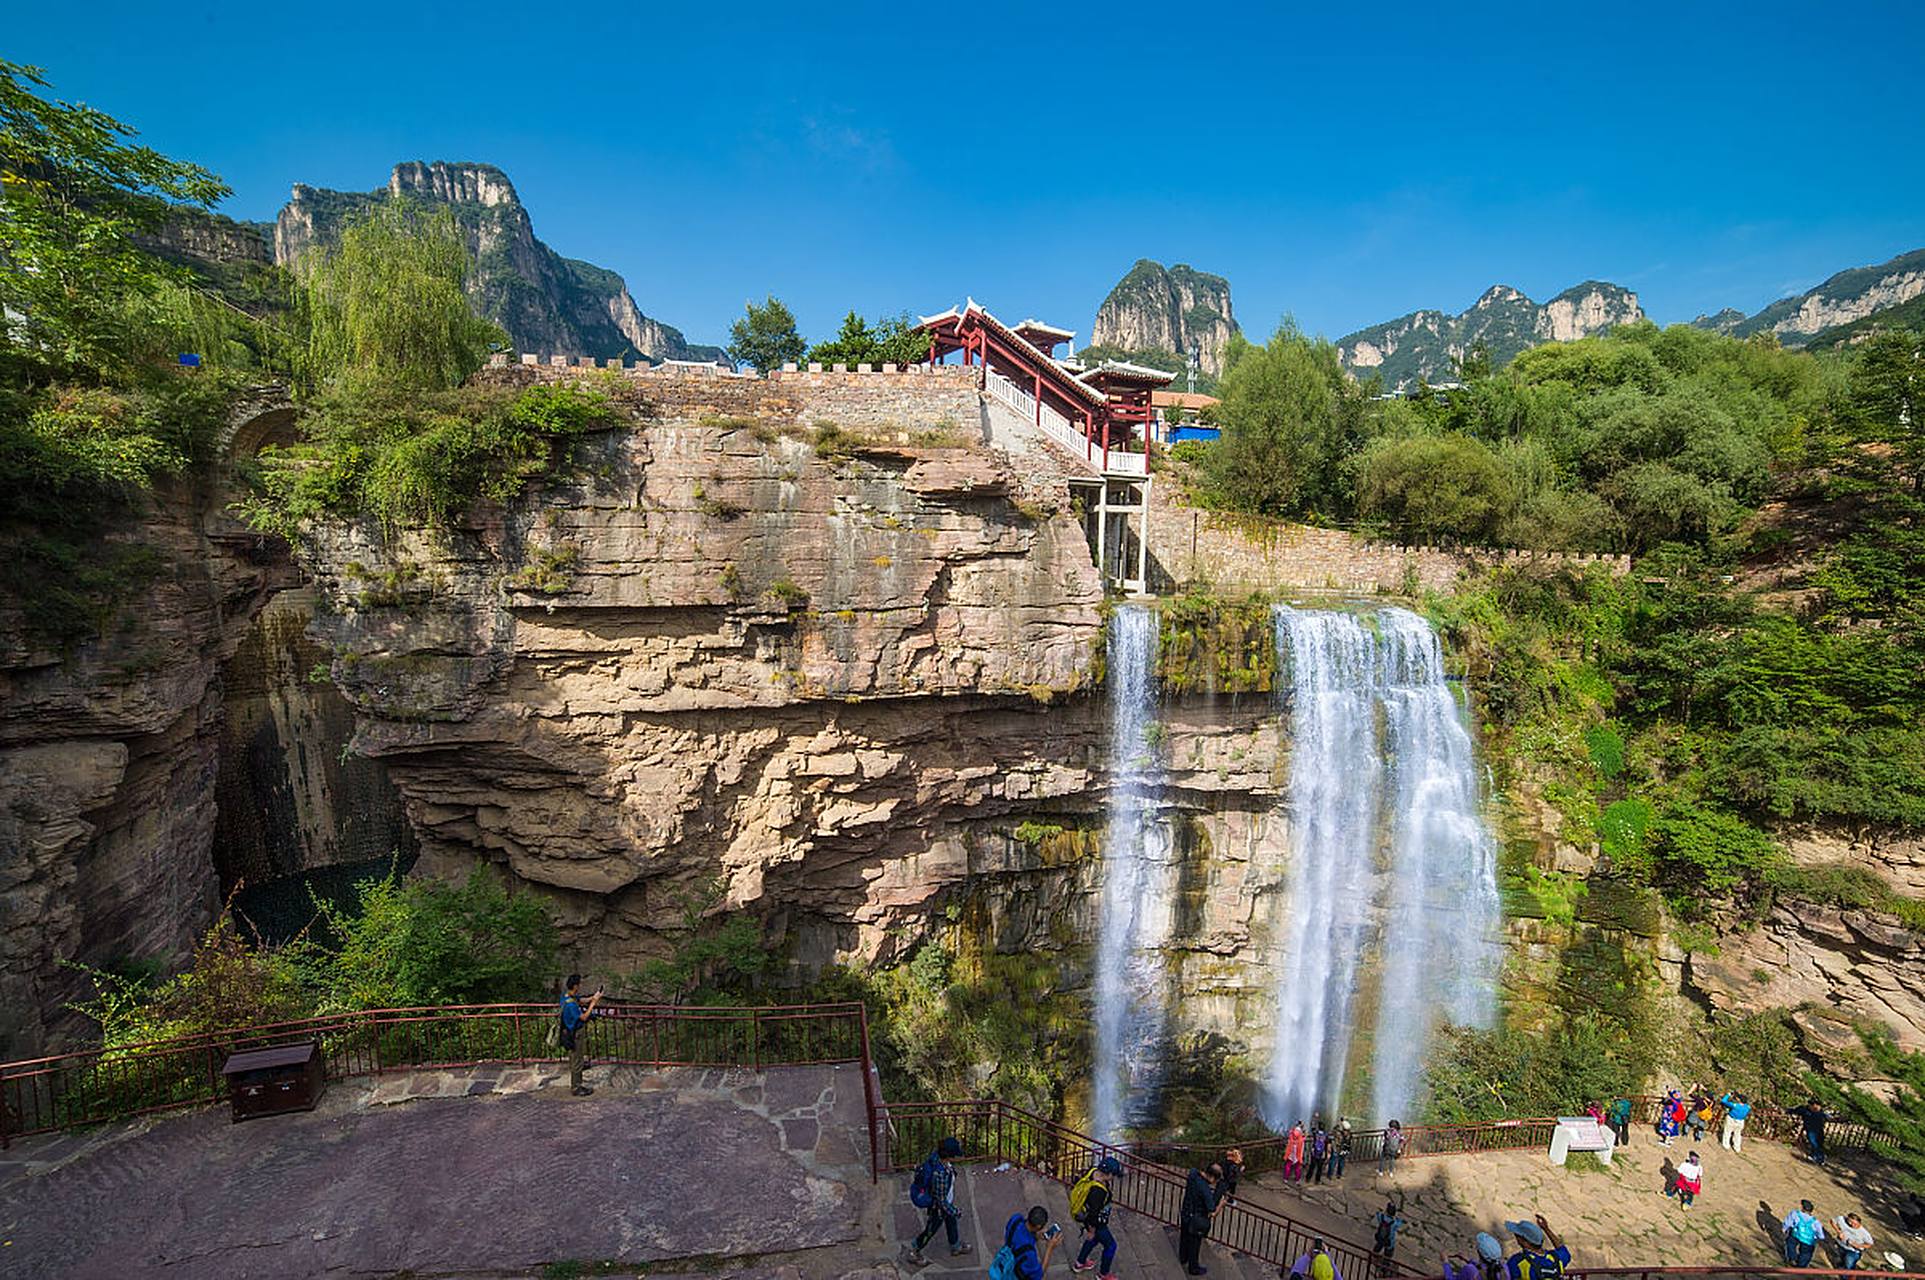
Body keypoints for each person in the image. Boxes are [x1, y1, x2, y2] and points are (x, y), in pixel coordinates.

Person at [906, 1136, 970, 1264]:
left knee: (951, 1221)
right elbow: (941, 1201)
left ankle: (955, 1246)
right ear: (949, 1156)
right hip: (939, 1208)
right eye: (955, 1155)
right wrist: (955, 1211)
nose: (957, 1157)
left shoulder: (937, 1157)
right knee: (931, 1229)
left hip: (946, 1201)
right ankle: (914, 1250)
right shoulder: (940, 1175)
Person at [1070, 1155, 1122, 1280]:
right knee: (1111, 1245)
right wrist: (1091, 1230)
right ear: (1108, 1174)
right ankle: (1103, 1274)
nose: (1113, 1178)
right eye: (1113, 1175)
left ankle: (1080, 1263)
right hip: (1097, 1223)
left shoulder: (1093, 1171)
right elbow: (1093, 1214)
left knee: (1093, 1240)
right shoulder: (1098, 1192)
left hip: (1088, 1218)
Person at [558, 974, 606, 1096]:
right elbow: (584, 1017)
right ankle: (576, 1088)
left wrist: (593, 997)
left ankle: (577, 1076)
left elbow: (580, 1000)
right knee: (577, 1060)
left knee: (575, 1058)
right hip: (575, 1034)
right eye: (579, 984)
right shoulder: (571, 1005)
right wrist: (593, 1003)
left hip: (568, 1031)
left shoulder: (566, 996)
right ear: (575, 986)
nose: (580, 986)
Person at [1178, 1163, 1220, 1276]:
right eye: (1215, 1180)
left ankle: (1183, 1257)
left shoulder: (1193, 1175)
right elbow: (1212, 1211)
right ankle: (1193, 1268)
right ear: (1212, 1177)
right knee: (1194, 1245)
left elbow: (1193, 1169)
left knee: (1184, 1236)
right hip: (1196, 1220)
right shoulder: (1205, 1189)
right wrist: (1222, 1203)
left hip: (1186, 1212)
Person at [1503, 1215, 1569, 1280]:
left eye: (1517, 1235)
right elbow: (1562, 1249)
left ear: (1524, 1241)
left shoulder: (1517, 1261)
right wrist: (1546, 1229)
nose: (1516, 1237)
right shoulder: (1555, 1258)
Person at [998, 1206, 1054, 1280]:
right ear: (1038, 1226)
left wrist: (1035, 1237)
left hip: (1006, 1255)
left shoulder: (1016, 1219)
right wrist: (1050, 1248)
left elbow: (1017, 1238)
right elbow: (1038, 1275)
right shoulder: (1029, 1254)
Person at [1782, 1199, 1825, 1268]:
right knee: (1806, 1254)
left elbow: (1787, 1223)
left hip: (1795, 1235)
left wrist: (1784, 1229)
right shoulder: (1816, 1222)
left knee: (1790, 1244)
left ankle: (1792, 1258)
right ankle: (1801, 1266)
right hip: (1808, 1241)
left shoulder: (1795, 1214)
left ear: (1802, 1207)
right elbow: (1821, 1235)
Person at [1789, 1099, 1832, 1165]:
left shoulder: (1821, 1112)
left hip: (1819, 1130)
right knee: (1814, 1143)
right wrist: (1788, 1111)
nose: (1816, 1107)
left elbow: (1828, 1117)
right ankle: (1817, 1158)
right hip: (1811, 1130)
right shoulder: (1805, 1110)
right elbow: (1795, 1111)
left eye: (1818, 1105)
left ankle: (1819, 1158)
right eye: (1814, 1105)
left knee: (1819, 1143)